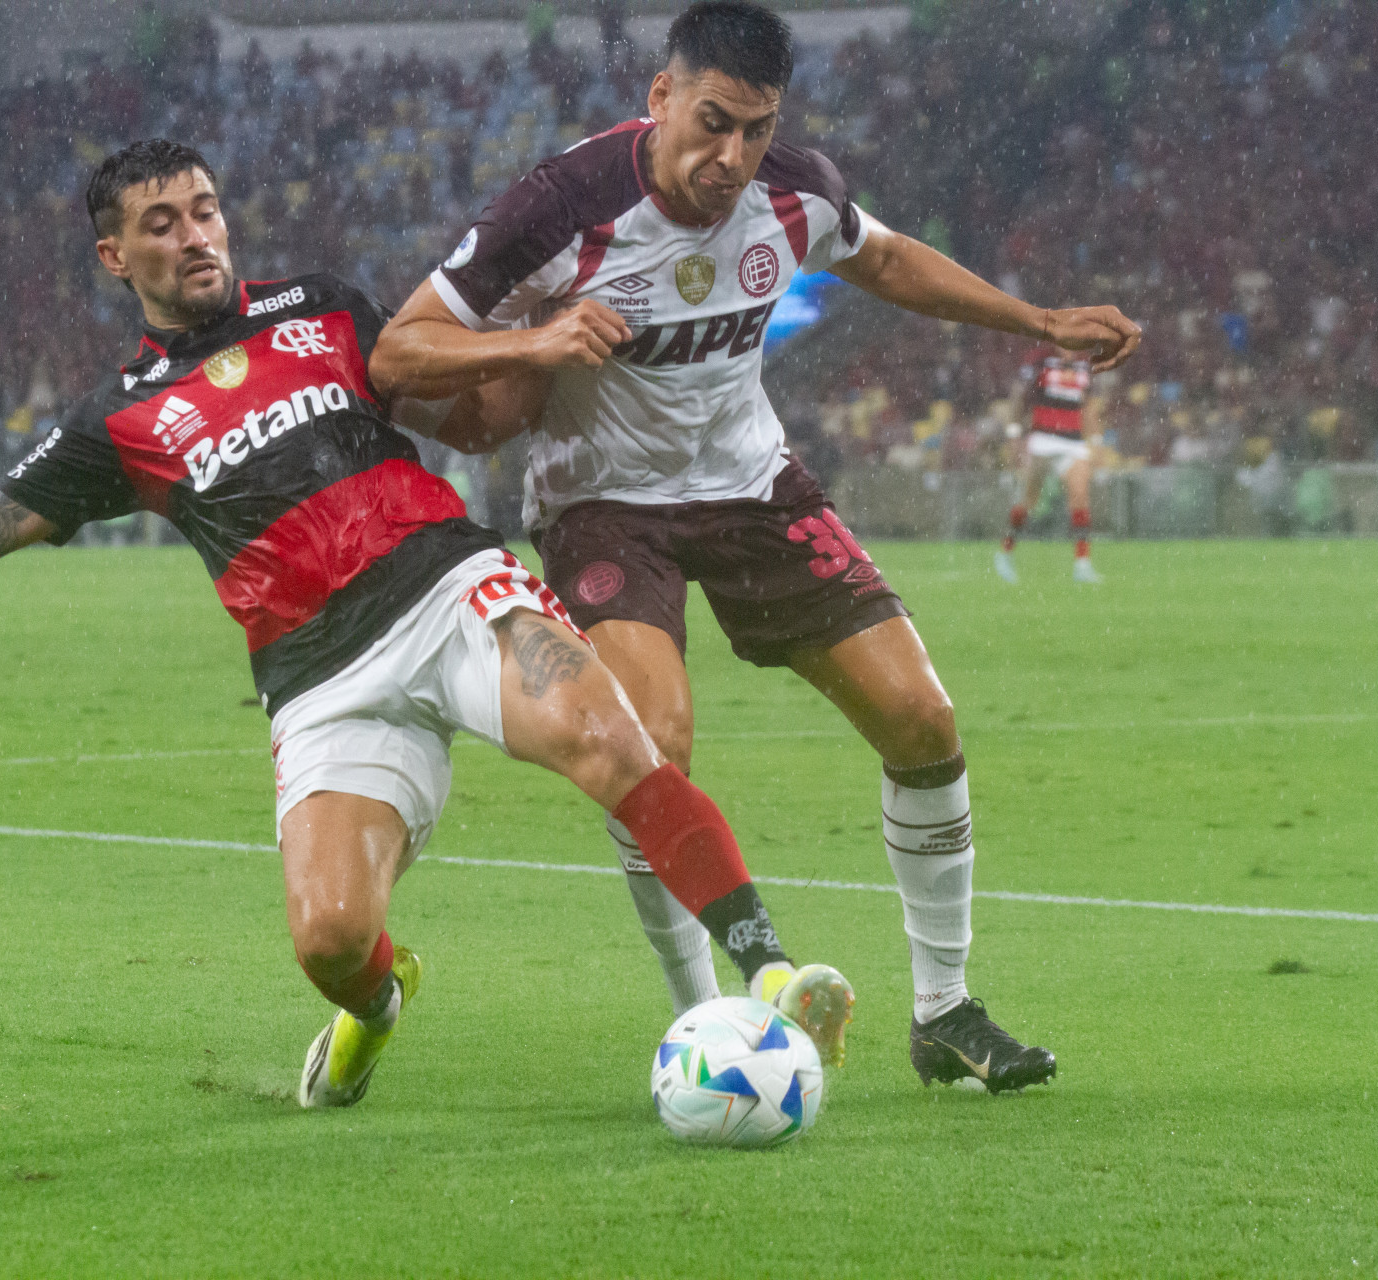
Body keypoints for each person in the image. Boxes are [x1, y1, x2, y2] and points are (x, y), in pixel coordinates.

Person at [0, 140, 853, 1111]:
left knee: (611, 739)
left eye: (205, 210)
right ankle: (383, 999)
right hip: (318, 674)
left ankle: (772, 975)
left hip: (448, 586)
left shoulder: (328, 308)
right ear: (115, 256)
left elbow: (475, 419)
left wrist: (536, 343)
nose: (195, 234)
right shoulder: (119, 417)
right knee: (331, 941)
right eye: (161, 223)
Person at [370, 2, 1140, 1093]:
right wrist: (540, 336)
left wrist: (1039, 321)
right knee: (658, 740)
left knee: (923, 719)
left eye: (757, 131)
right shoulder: (564, 202)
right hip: (604, 508)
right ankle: (713, 1023)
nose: (731, 158)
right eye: (714, 122)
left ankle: (945, 1011)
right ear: (661, 99)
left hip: (756, 487)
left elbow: (886, 260)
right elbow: (400, 350)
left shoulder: (797, 193)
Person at [996, 347, 1100, 584]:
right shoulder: (1040, 360)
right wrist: (1014, 435)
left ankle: (1082, 564)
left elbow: (1088, 404)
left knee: (1080, 498)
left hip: (1073, 441)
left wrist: (1096, 440)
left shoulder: (1084, 365)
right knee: (1029, 500)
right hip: (1043, 438)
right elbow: (1018, 395)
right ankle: (1006, 552)